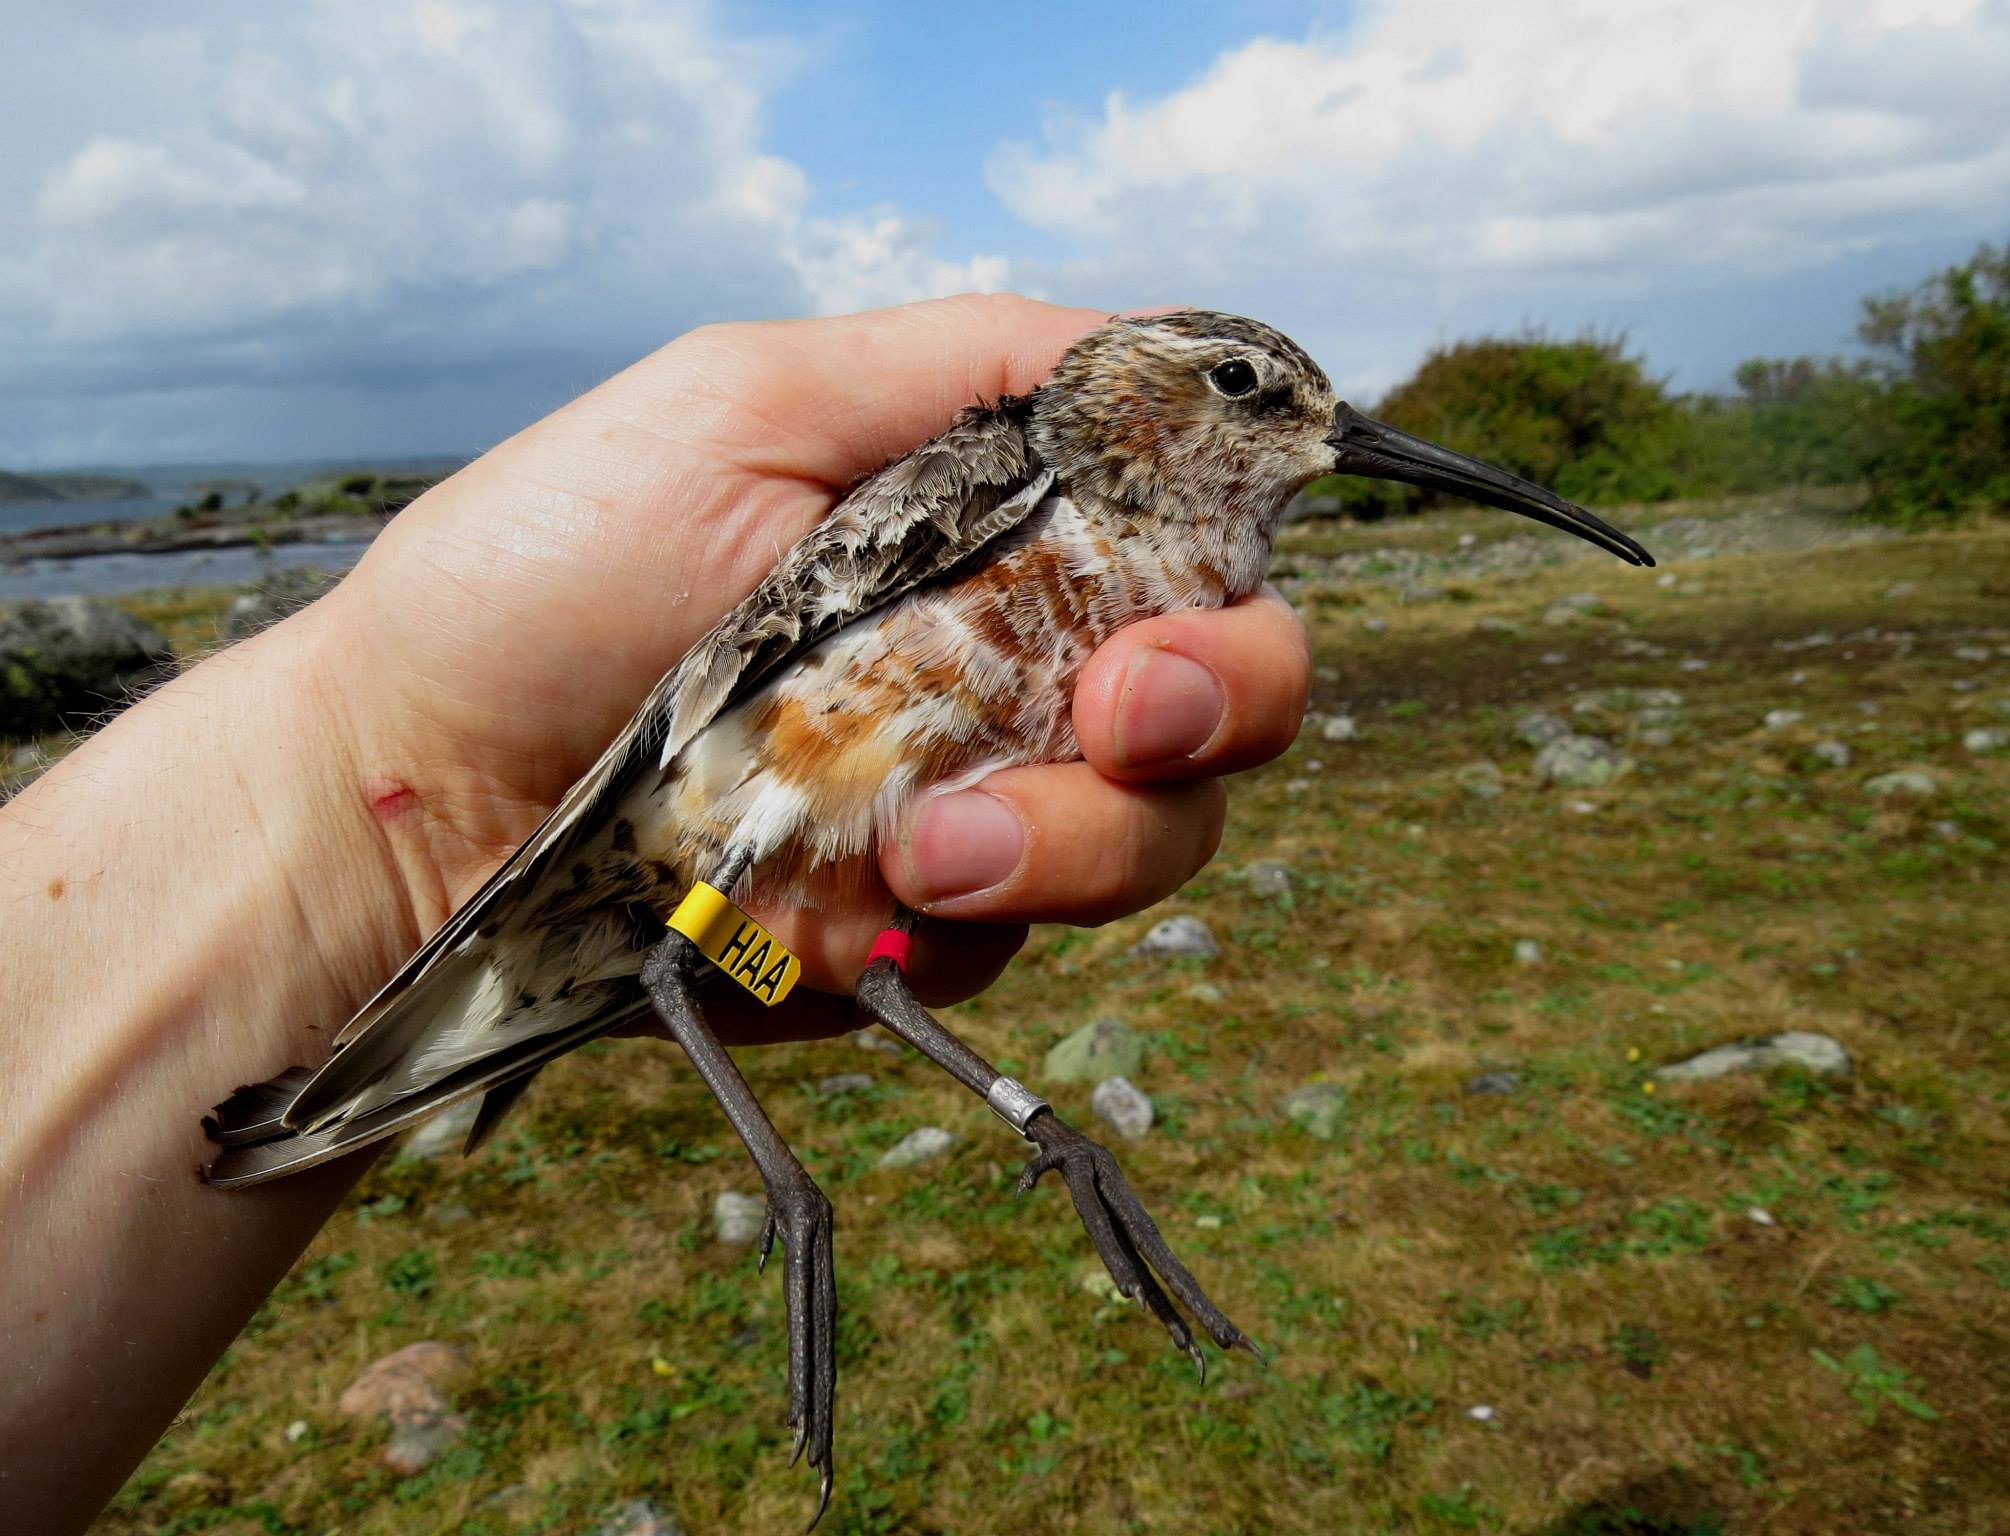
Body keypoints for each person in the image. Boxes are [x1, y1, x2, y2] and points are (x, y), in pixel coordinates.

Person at [0, 295, 1311, 1528]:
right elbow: (740, 687)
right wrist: (375, 769)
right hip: (718, 798)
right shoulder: (1013, 466)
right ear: (1139, 387)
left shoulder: (1199, 575)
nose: (1319, 435)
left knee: (877, 965)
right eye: (1253, 389)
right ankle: (793, 1193)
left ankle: (1039, 1128)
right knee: (684, 954)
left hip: (779, 865)